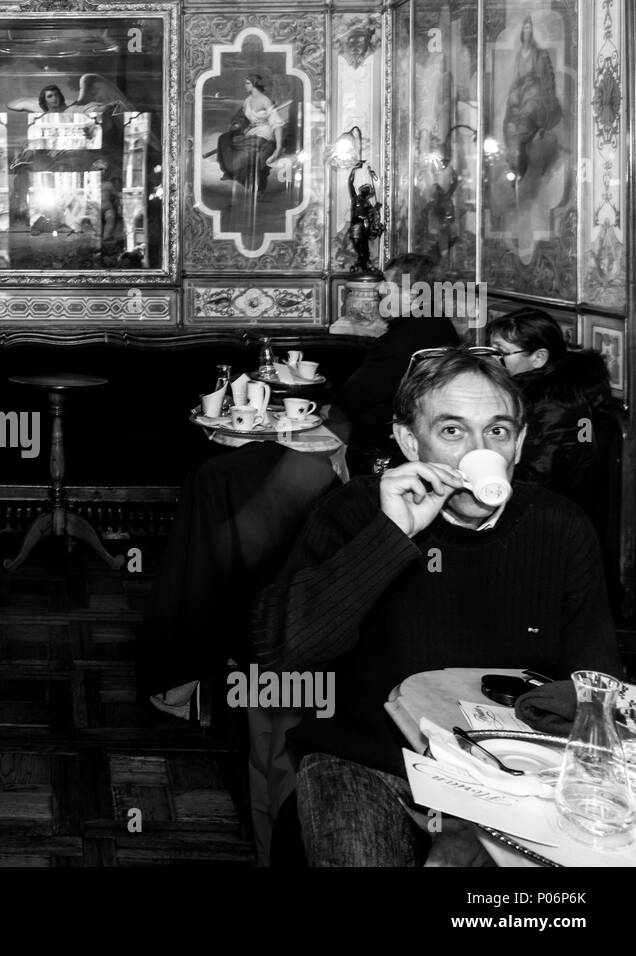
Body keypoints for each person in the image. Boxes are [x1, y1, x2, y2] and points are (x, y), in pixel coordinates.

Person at [252, 350, 621, 865]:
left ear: (517, 444)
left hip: (511, 771)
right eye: (452, 431)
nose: (478, 450)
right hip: (371, 761)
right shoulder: (358, 511)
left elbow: (595, 681)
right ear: (409, 442)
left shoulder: (560, 526)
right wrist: (390, 536)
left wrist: (479, 805)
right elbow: (281, 651)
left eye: (496, 431)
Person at [326, 253, 460, 472]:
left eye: (387, 284)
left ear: (413, 294)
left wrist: (329, 410)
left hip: (382, 454)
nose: (379, 289)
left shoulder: (400, 340)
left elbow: (351, 400)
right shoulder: (439, 324)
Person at [487, 307, 615, 503]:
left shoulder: (558, 405)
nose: (492, 359)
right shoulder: (520, 390)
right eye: (491, 350)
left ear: (538, 358)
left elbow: (538, 478)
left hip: (552, 509)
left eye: (501, 353)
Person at [502, 15, 563, 178]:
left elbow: (547, 79)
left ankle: (522, 146)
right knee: (508, 116)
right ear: (522, 31)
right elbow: (515, 79)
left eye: (530, 28)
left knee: (528, 110)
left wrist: (546, 97)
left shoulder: (539, 54)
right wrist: (513, 95)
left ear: (533, 32)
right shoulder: (518, 54)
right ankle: (513, 161)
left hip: (535, 91)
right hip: (521, 91)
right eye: (525, 27)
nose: (527, 31)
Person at [215, 74, 285, 192]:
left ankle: (249, 180)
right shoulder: (247, 100)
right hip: (250, 132)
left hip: (263, 133)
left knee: (240, 160)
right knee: (224, 138)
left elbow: (276, 124)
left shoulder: (265, 101)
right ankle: (230, 172)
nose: (245, 86)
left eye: (247, 83)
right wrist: (237, 124)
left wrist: (278, 148)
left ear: (255, 84)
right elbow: (242, 118)